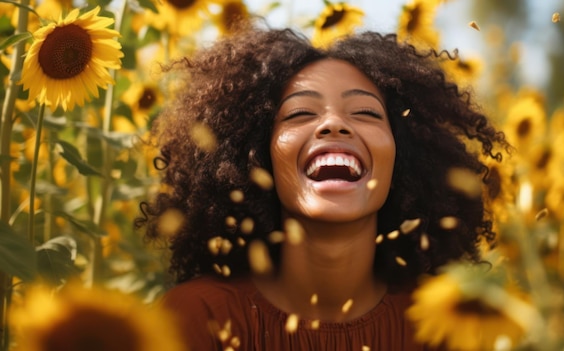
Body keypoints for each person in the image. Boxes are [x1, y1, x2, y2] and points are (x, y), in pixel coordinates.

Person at [136, 24, 508, 351]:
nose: (333, 124)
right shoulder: (196, 319)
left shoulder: (444, 328)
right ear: (254, 155)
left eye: (365, 113)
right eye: (300, 114)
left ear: (407, 155)